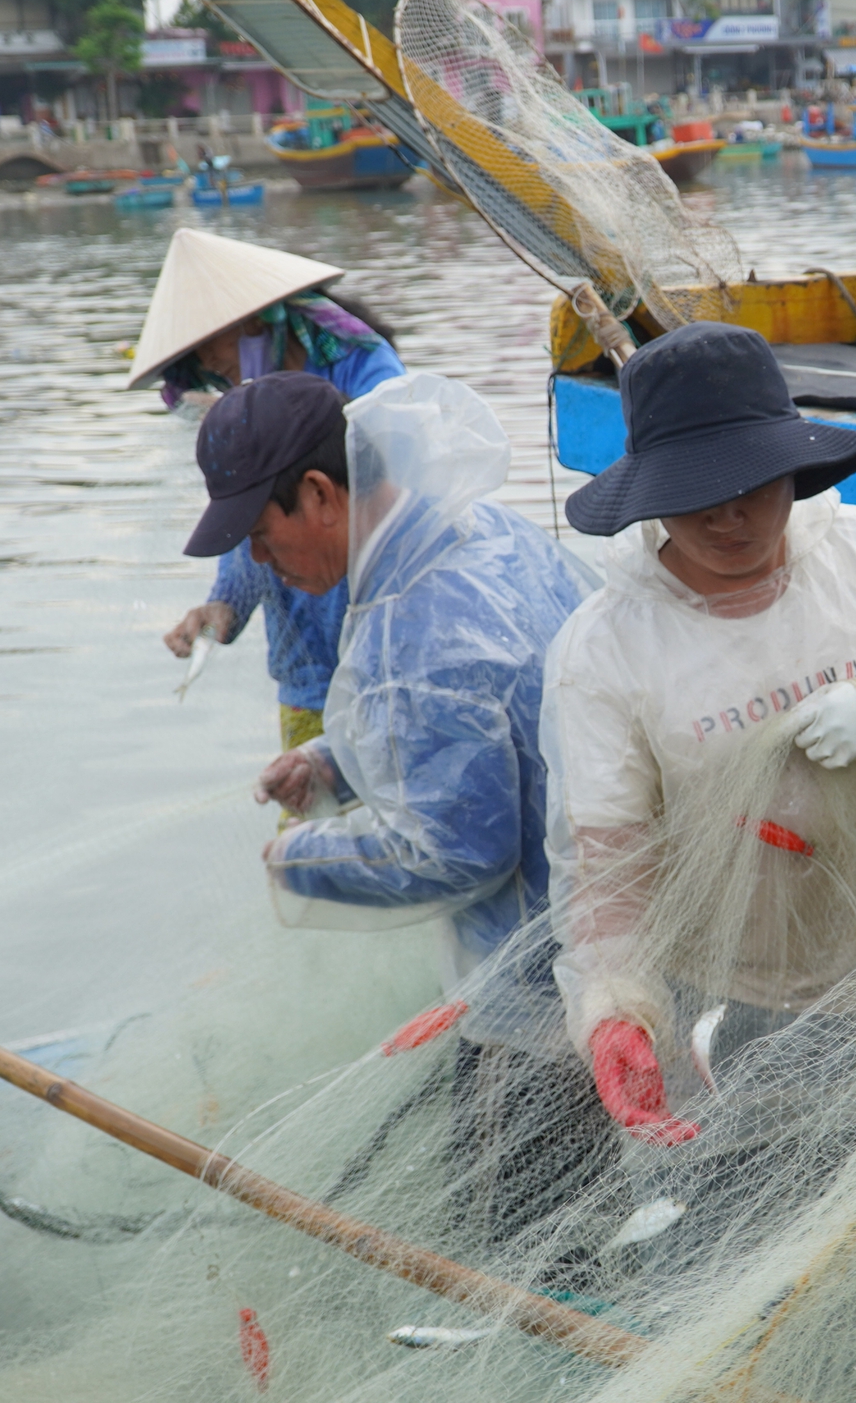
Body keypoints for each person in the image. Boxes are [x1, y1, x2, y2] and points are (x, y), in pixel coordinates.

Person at [542, 321, 856, 1147]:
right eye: (697, 492)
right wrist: (616, 1008)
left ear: (792, 466)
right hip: (735, 1004)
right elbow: (609, 868)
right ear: (651, 492)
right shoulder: (605, 649)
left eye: (754, 483)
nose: (731, 515)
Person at [177, 369, 612, 1267]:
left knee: (522, 1261)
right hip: (610, 949)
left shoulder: (418, 620)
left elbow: (458, 852)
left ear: (321, 494)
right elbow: (480, 718)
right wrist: (334, 760)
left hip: (544, 1001)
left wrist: (303, 861)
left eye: (262, 534)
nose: (260, 564)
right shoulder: (478, 530)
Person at [132, 228, 406, 751]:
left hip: (384, 650)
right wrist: (224, 607)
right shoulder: (242, 402)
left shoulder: (366, 369)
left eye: (211, 349)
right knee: (306, 804)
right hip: (306, 672)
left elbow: (394, 474)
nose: (211, 368)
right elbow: (254, 523)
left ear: (251, 320)